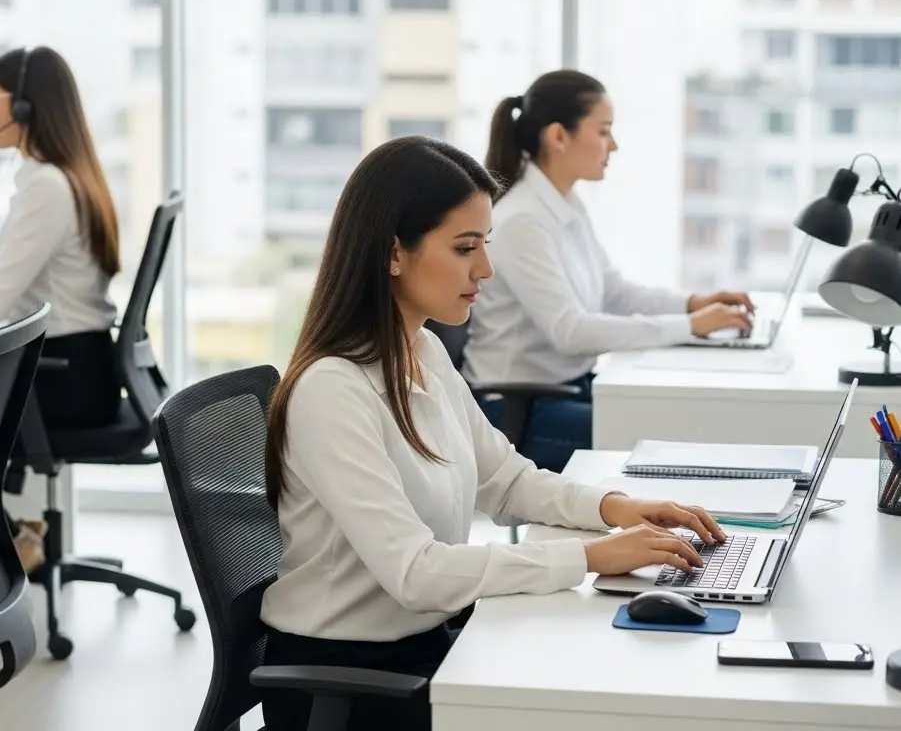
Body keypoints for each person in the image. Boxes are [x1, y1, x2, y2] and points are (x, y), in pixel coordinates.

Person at [258, 135, 727, 731]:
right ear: (392, 253)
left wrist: (618, 508)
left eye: (485, 244)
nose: (485, 269)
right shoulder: (332, 391)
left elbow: (504, 480)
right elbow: (417, 574)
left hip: (425, 645)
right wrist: (588, 556)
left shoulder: (420, 347)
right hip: (354, 682)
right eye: (464, 248)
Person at [463, 70, 755, 473]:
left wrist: (692, 303)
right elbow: (571, 332)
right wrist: (689, 325)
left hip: (565, 392)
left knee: (671, 414)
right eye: (603, 131)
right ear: (559, 136)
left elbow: (613, 292)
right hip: (518, 412)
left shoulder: (564, 204)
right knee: (664, 434)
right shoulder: (521, 221)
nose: (613, 145)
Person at [0, 46, 124, 571]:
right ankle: (19, 533)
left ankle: (1, 546)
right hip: (83, 367)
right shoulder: (64, 176)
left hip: (67, 378)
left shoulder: (46, 188)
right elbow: (3, 283)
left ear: (24, 109)